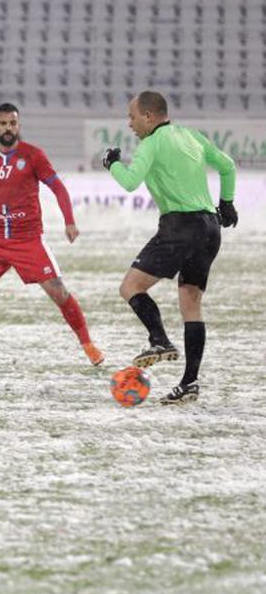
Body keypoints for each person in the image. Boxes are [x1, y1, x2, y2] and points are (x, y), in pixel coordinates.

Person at [102, 91, 237, 404]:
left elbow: (130, 181)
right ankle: (189, 383)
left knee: (130, 287)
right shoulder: (192, 136)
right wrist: (227, 202)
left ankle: (159, 340)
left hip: (180, 227)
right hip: (209, 228)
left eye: (132, 117)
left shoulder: (151, 143)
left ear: (149, 117)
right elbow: (228, 165)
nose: (130, 124)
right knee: (191, 303)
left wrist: (113, 164)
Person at [0, 103, 103, 367]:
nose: (8, 128)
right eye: (2, 124)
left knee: (58, 291)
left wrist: (69, 221)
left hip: (28, 239)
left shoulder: (34, 155)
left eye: (12, 123)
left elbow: (58, 188)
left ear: (19, 126)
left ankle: (88, 345)